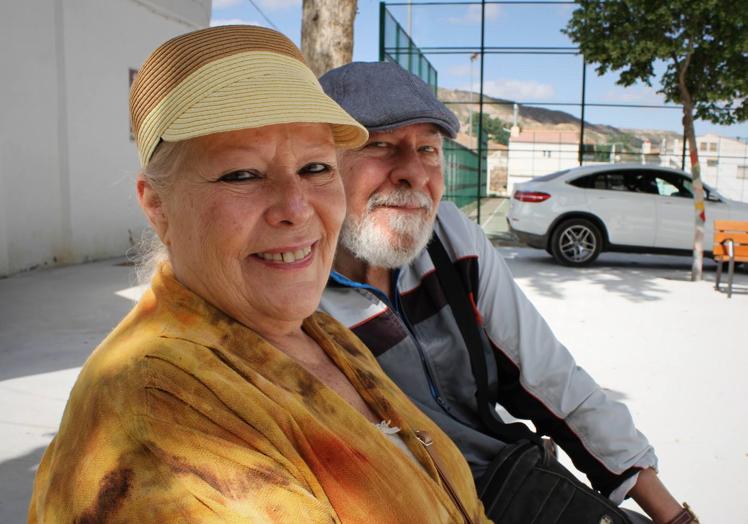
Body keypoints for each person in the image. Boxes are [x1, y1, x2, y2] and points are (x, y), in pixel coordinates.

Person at [28, 27, 489, 523]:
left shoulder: (314, 331)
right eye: (242, 174)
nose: (295, 208)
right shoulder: (159, 414)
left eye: (315, 168)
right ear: (157, 206)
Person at [319, 61, 697, 524]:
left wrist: (672, 516)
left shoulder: (450, 239)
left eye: (429, 149)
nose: (414, 173)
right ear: (320, 164)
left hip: (513, 484)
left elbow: (551, 379)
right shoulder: (295, 291)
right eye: (380, 145)